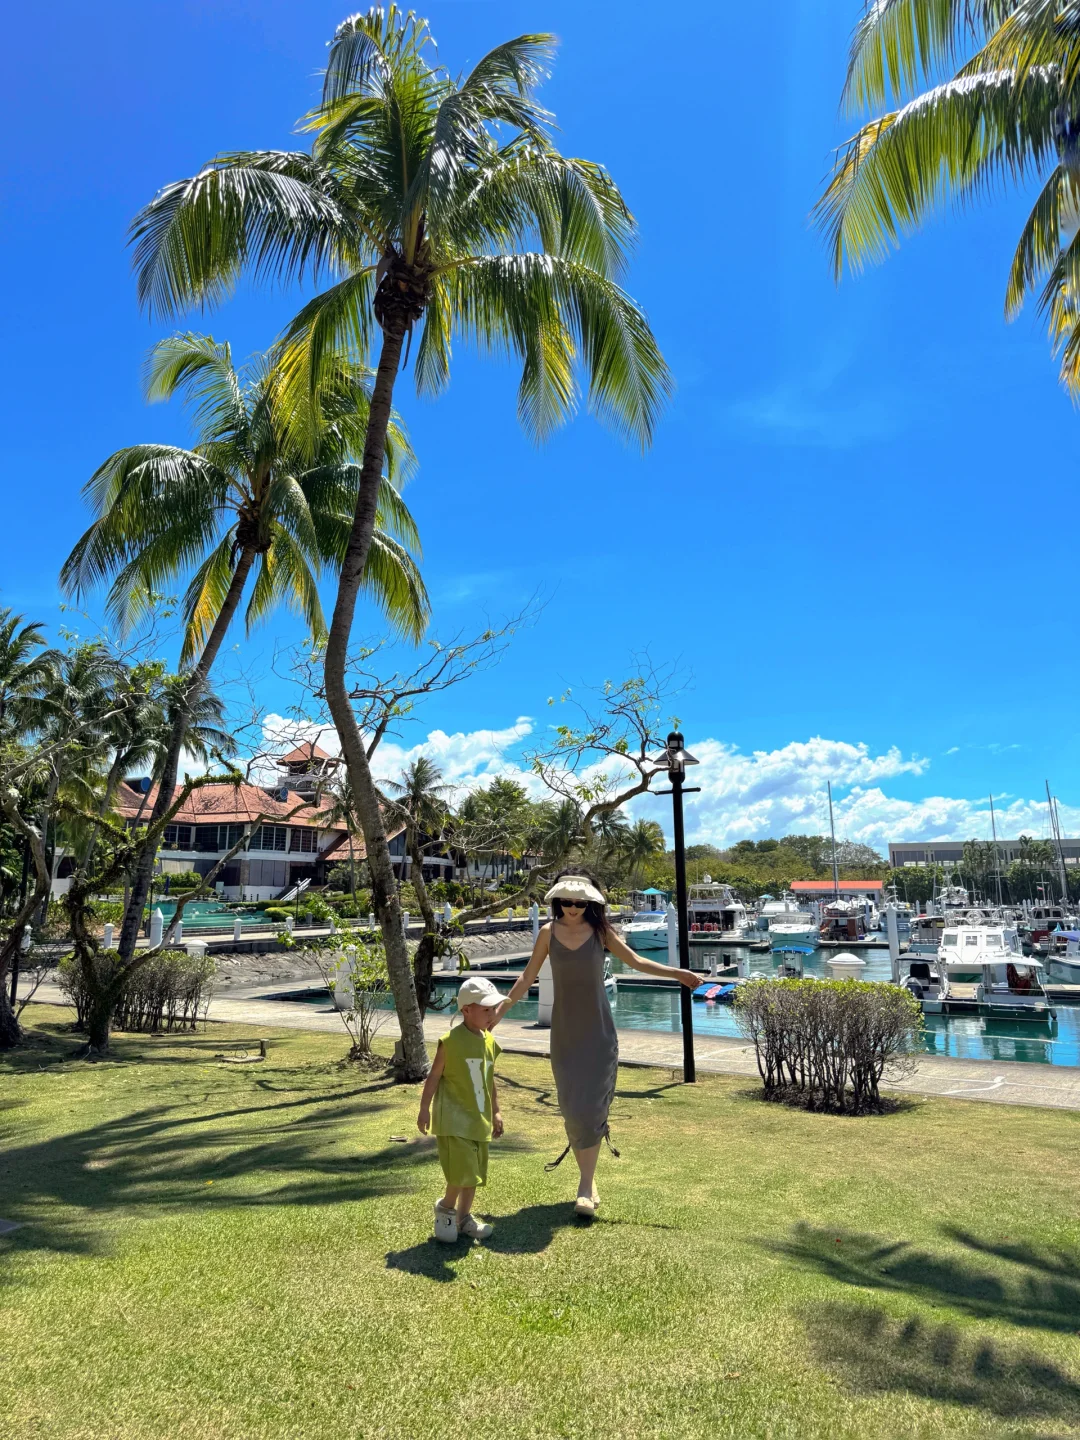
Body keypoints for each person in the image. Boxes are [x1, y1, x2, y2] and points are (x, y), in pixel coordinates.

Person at [494, 871, 699, 1217]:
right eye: (567, 902)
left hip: (598, 1032)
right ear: (557, 901)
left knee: (591, 1108)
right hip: (565, 1033)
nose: (573, 909)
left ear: (590, 903)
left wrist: (678, 974)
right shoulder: (548, 933)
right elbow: (526, 976)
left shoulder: (600, 932)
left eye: (580, 903)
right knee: (573, 1108)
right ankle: (587, 1179)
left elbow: (636, 962)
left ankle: (586, 1186)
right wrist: (501, 1008)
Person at [417, 975, 504, 1243]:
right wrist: (424, 1108)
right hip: (453, 1121)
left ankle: (463, 1219)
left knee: (474, 1175)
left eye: (493, 1008)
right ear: (466, 1010)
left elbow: (489, 1080)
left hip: (478, 1121)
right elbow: (433, 1077)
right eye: (486, 1009)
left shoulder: (489, 1041)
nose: (492, 1014)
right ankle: (445, 1208)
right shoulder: (451, 1041)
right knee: (462, 1171)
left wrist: (496, 1112)